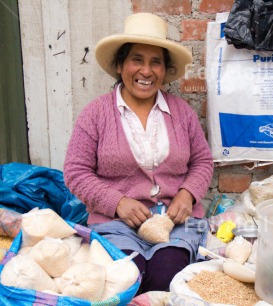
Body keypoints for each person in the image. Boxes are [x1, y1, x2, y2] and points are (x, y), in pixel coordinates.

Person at [63, 12, 214, 293]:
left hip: (175, 223)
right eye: (137, 60)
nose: (146, 71)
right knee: (128, 279)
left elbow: (202, 161)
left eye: (155, 62)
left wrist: (187, 193)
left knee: (166, 278)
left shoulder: (181, 113)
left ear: (165, 70)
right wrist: (117, 201)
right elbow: (75, 172)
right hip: (115, 223)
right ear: (120, 65)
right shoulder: (95, 114)